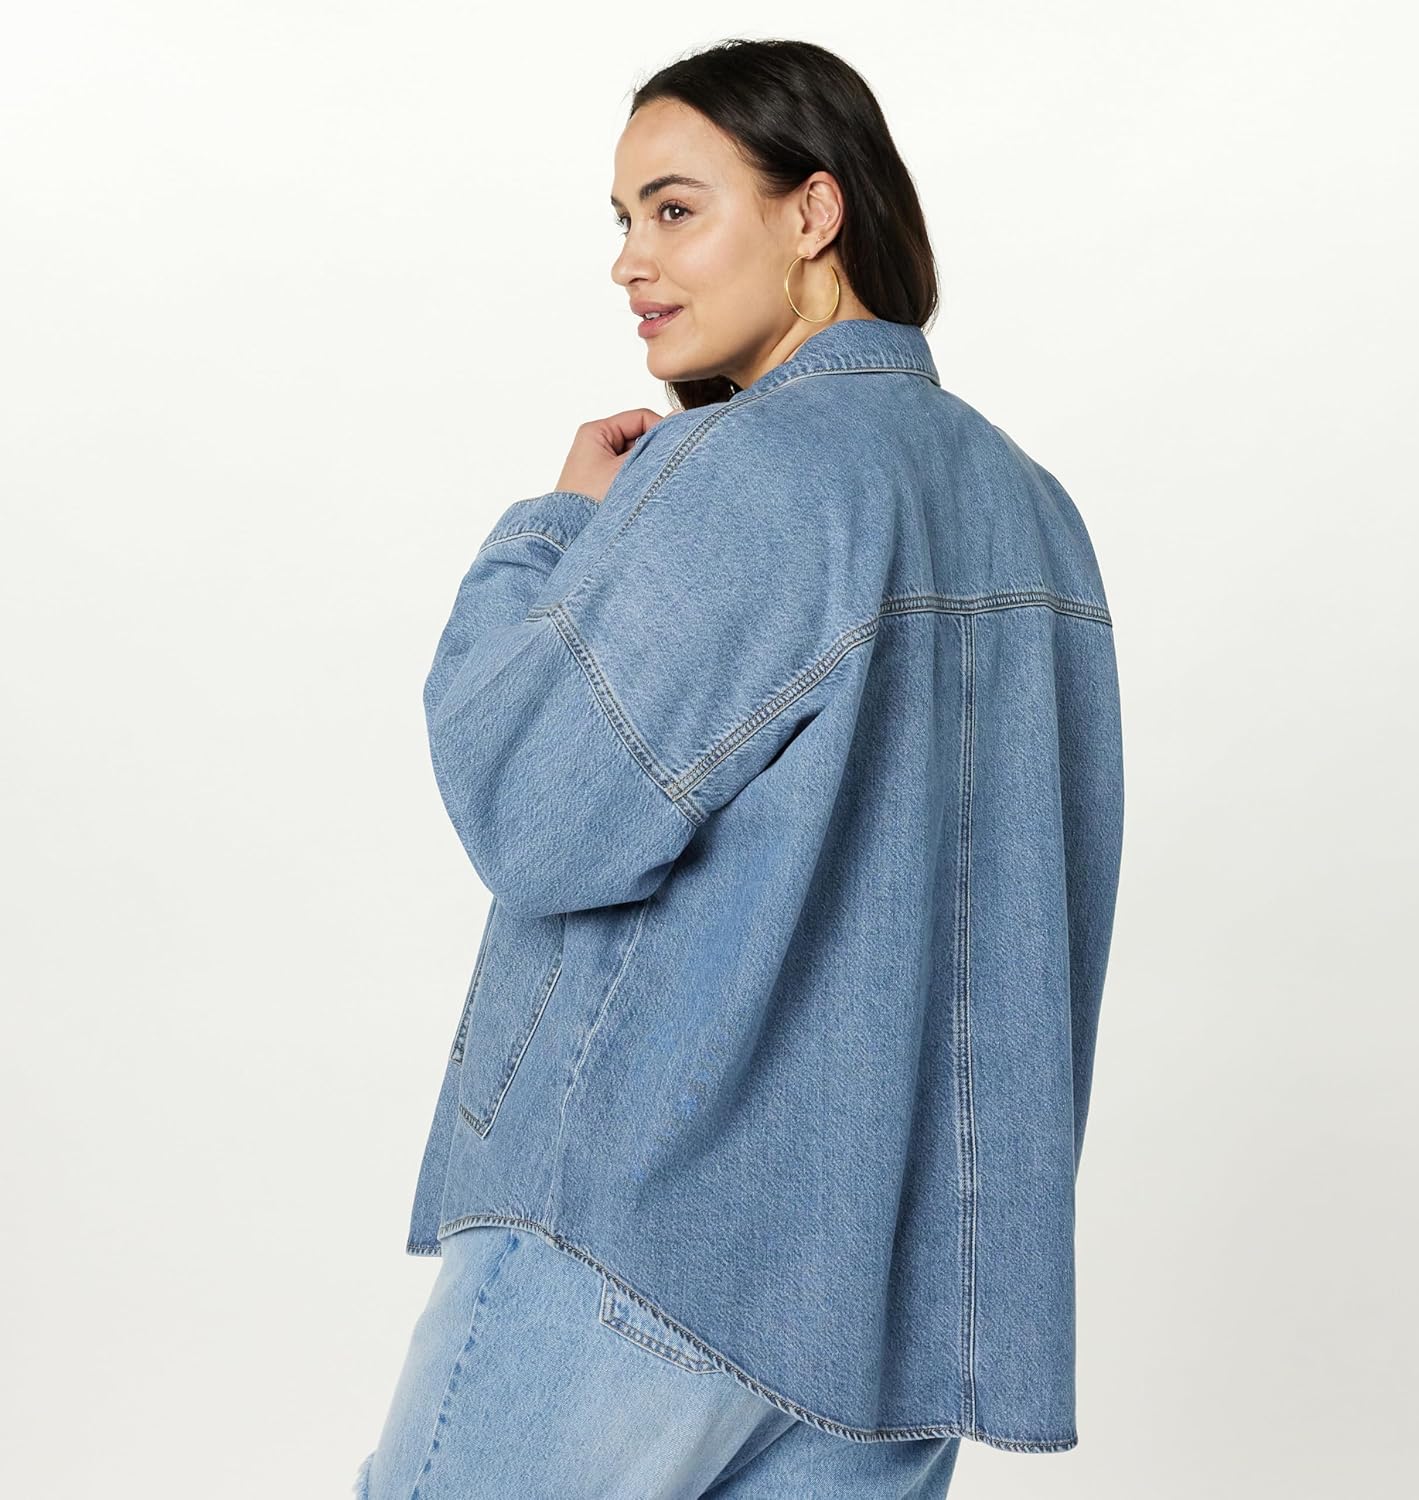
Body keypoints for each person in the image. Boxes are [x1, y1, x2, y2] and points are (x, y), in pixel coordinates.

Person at [355, 36, 1124, 1500]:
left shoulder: (746, 469)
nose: (630, 261)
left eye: (675, 208)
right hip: (896, 1294)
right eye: (623, 219)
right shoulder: (1035, 512)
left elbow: (536, 815)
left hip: (650, 1255)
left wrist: (556, 531)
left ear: (813, 212)